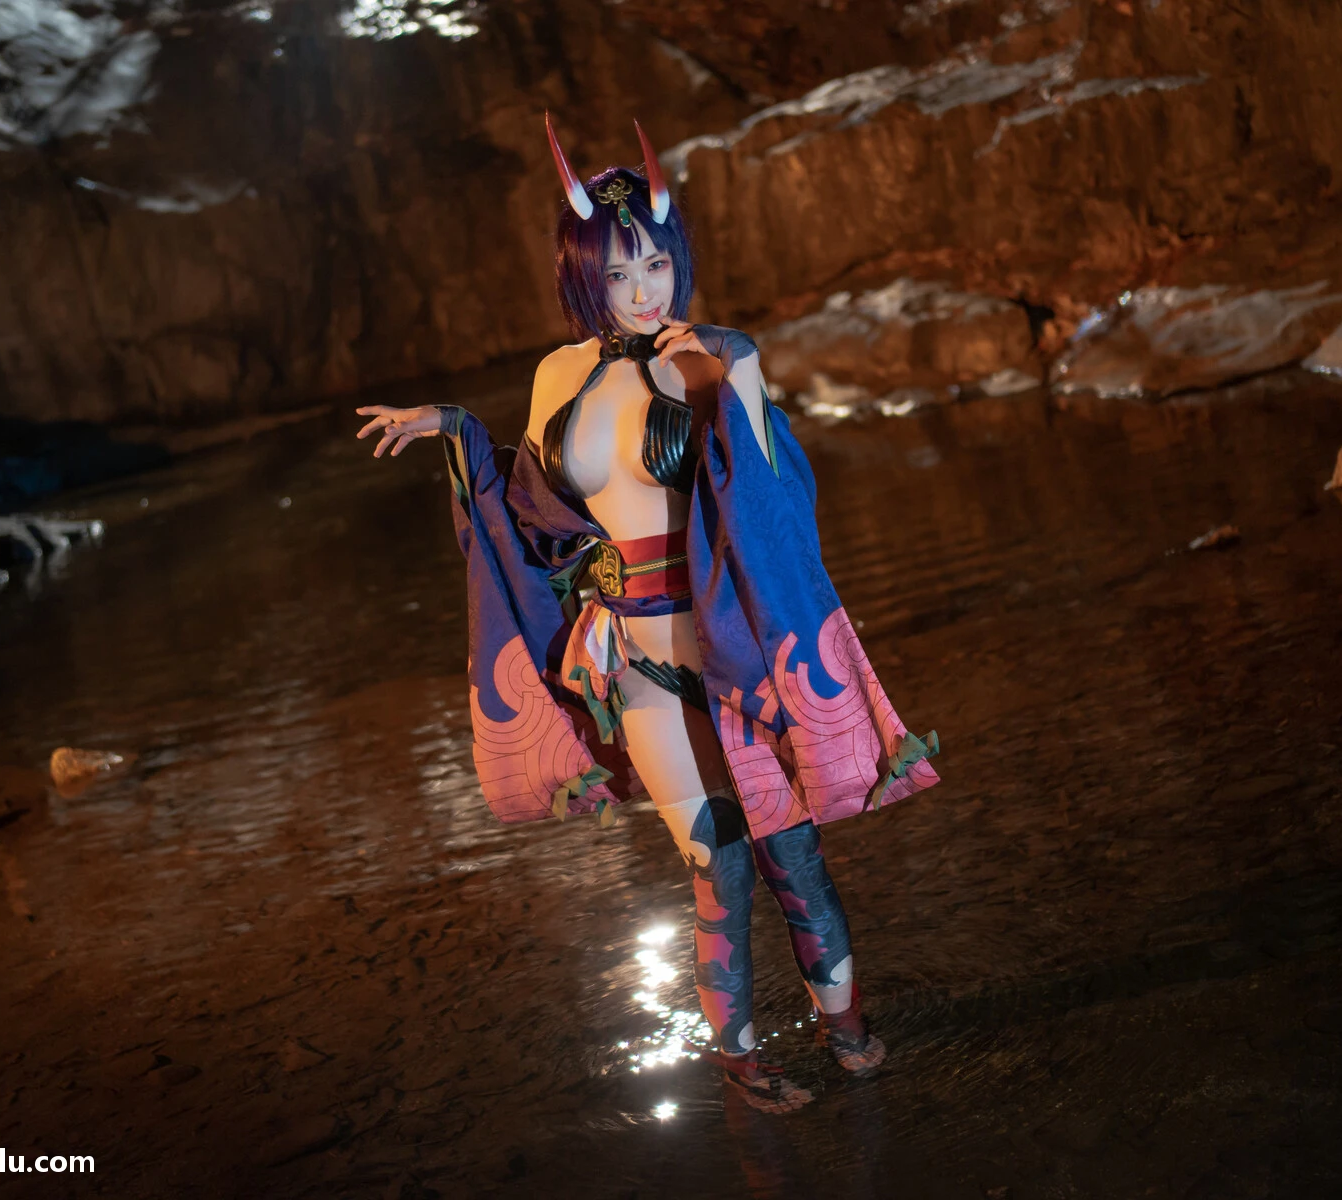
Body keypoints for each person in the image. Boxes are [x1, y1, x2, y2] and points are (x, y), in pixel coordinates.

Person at [355, 116, 940, 1114]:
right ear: (584, 274)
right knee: (717, 864)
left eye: (657, 264)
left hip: (733, 650)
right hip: (633, 661)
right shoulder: (557, 375)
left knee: (791, 853)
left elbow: (773, 498)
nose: (643, 290)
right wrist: (455, 428)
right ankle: (742, 1063)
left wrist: (741, 367)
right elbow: (534, 513)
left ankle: (846, 1031)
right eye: (621, 271)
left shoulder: (703, 362)